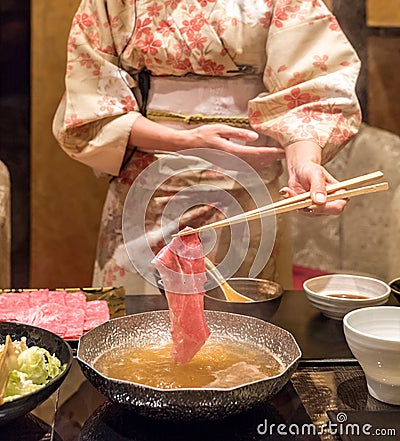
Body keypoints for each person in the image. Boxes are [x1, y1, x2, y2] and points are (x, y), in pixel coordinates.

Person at [53, 0, 361, 293]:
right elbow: (91, 103)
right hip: (147, 188)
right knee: (139, 326)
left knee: (243, 326)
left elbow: (308, 93)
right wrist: (186, 142)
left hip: (248, 188)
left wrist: (303, 164)